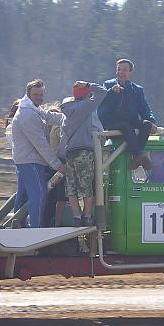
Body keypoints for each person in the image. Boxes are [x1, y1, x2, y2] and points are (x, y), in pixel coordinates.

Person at [11, 79, 66, 228]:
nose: (39, 97)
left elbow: (49, 116)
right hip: (31, 161)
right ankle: (36, 229)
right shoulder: (28, 115)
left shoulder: (34, 108)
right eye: (36, 94)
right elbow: (41, 145)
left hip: (24, 160)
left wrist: (69, 117)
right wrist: (57, 165)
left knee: (22, 196)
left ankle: (18, 226)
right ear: (28, 94)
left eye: (41, 94)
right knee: (39, 194)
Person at [58, 81, 108, 226]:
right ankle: (86, 216)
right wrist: (88, 84)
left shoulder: (67, 110)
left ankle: (76, 217)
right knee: (86, 187)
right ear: (86, 94)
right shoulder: (86, 106)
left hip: (70, 153)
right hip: (84, 152)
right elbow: (103, 92)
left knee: (71, 188)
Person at [97, 58, 157, 170]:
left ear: (130, 72)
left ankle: (136, 156)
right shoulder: (108, 84)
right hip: (111, 123)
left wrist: (152, 121)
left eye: (124, 70)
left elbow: (144, 108)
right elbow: (100, 102)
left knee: (147, 124)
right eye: (119, 69)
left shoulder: (137, 89)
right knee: (125, 126)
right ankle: (139, 155)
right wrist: (111, 93)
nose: (121, 72)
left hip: (130, 121)